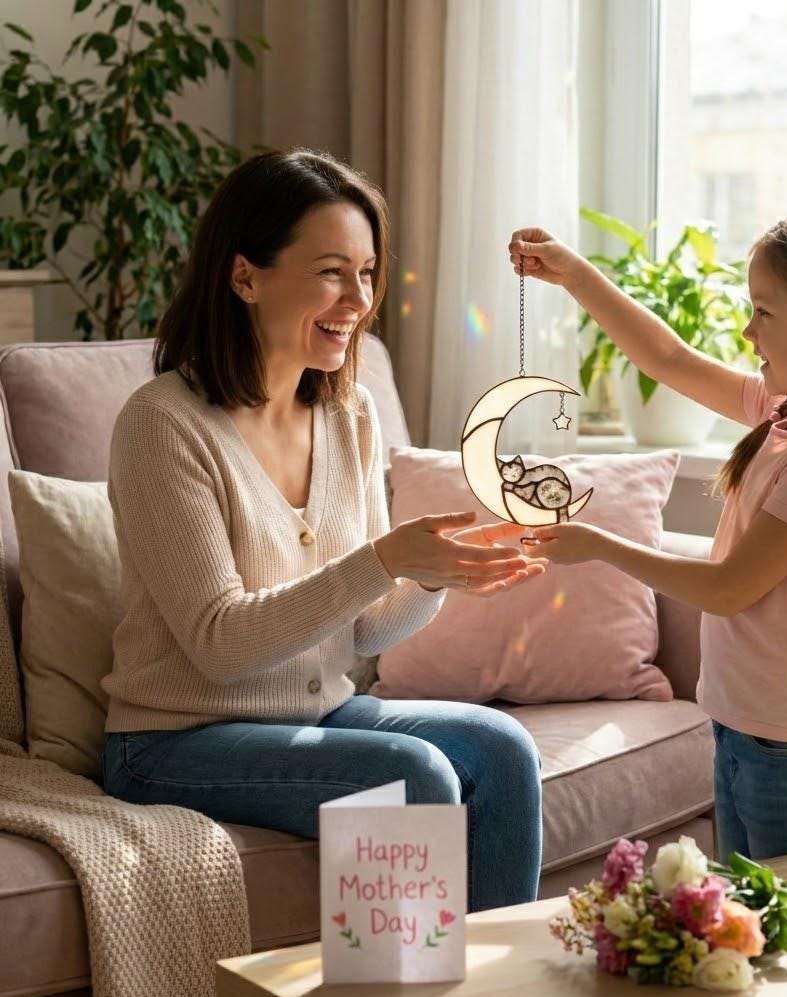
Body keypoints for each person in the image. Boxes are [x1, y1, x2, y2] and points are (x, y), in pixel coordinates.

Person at [101, 149, 547, 911]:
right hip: (174, 741)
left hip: (321, 708)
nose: (357, 298)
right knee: (411, 778)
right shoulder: (163, 424)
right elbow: (219, 644)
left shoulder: (348, 414)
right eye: (332, 271)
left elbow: (367, 632)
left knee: (502, 749)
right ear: (246, 277)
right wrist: (382, 559)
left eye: (368, 273)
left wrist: (431, 573)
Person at [509, 198, 787, 861]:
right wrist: (574, 274)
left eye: (764, 312)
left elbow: (730, 589)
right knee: (746, 921)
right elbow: (668, 359)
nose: (747, 330)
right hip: (750, 729)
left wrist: (598, 544)